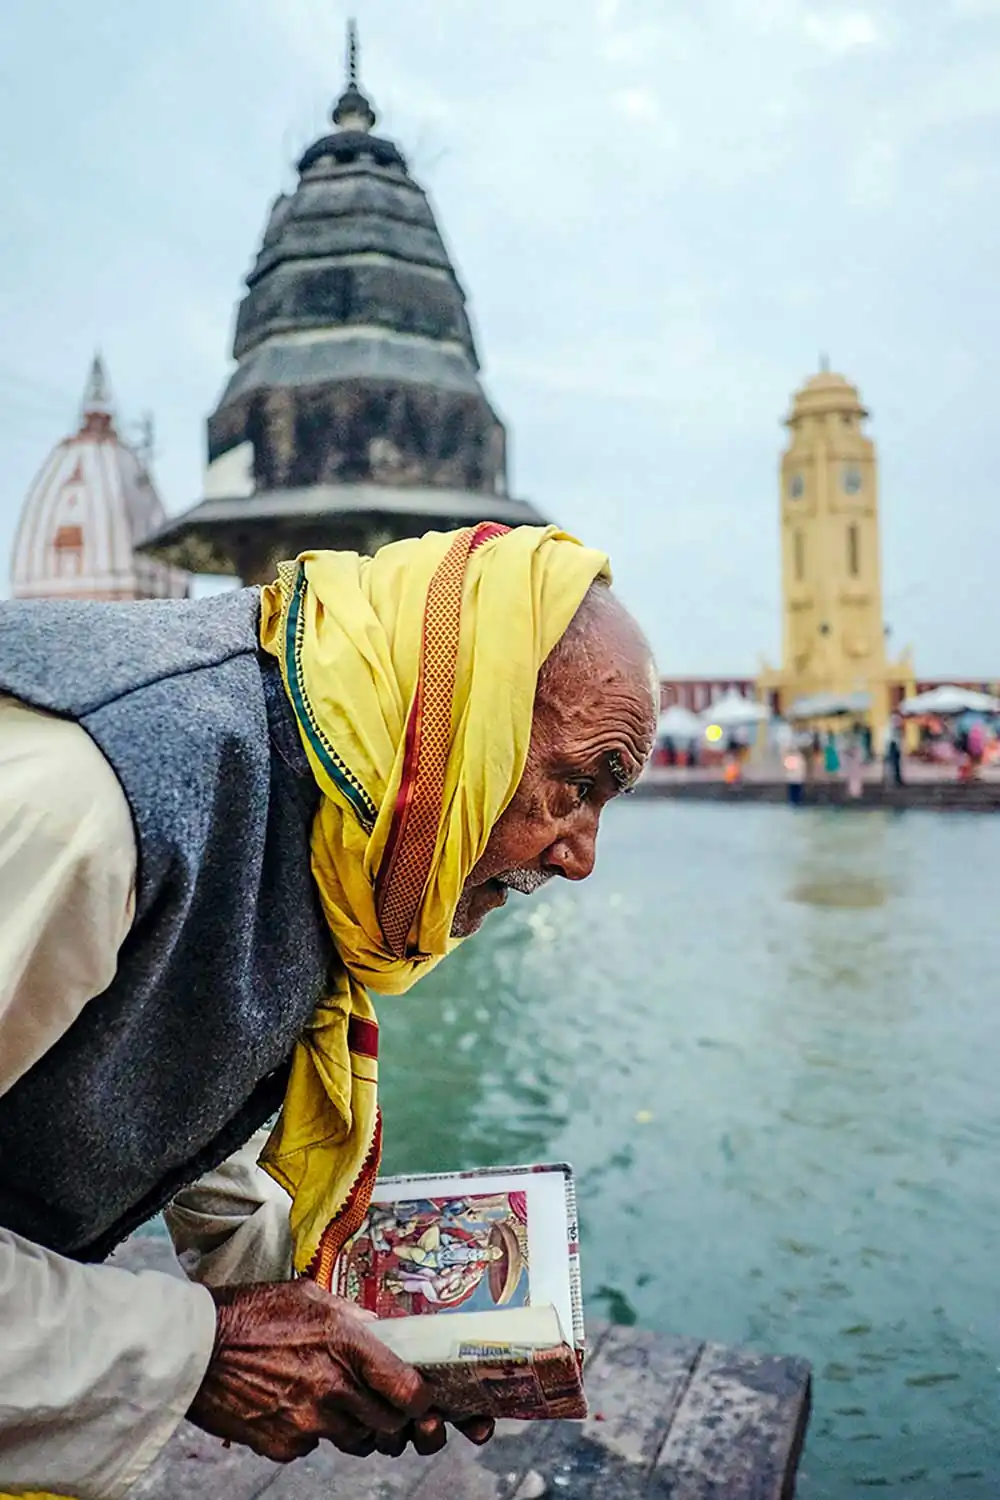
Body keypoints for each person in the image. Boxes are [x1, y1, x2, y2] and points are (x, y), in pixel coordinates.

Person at [0, 523, 657, 1498]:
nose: (578, 855)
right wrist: (201, 1353)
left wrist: (353, 1316)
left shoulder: (329, 810)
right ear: (467, 722)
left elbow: (166, 1054)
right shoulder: (84, 813)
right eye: (576, 785)